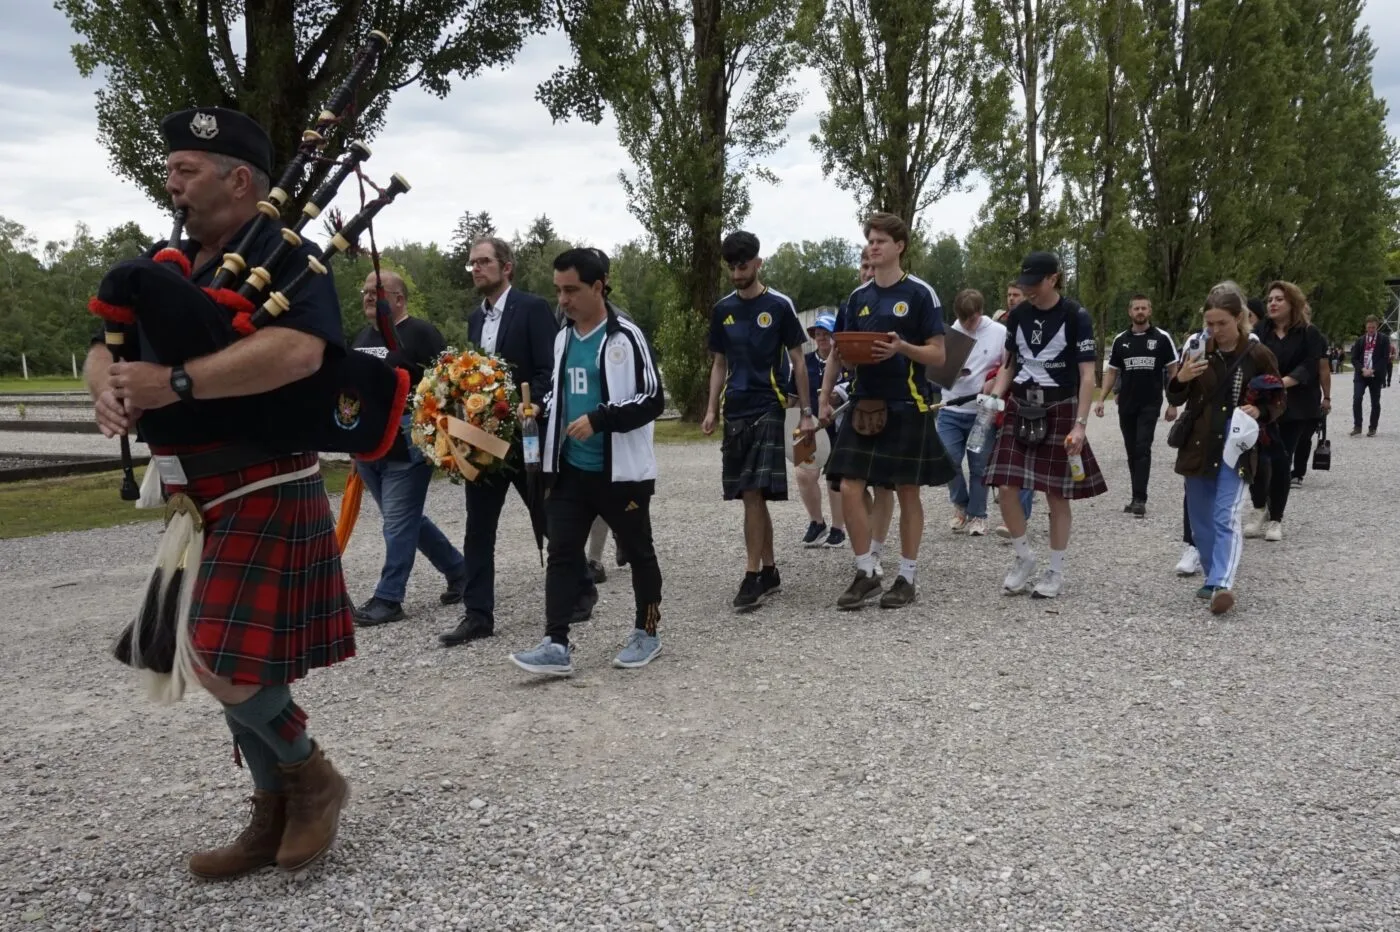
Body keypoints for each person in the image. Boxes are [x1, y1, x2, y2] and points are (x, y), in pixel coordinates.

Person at [87, 107, 352, 878]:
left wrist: (175, 382)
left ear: (240, 180)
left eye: (186, 169)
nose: (170, 182)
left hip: (265, 477)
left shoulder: (289, 259)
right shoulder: (167, 263)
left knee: (215, 658)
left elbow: (300, 353)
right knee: (245, 662)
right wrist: (108, 389)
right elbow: (104, 345)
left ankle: (314, 778)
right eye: (169, 169)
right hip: (198, 496)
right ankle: (271, 811)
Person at [507, 248, 665, 675]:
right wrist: (541, 408)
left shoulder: (626, 337)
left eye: (572, 290)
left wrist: (600, 419)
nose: (563, 299)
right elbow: (561, 390)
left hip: (621, 473)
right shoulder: (562, 337)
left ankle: (647, 632)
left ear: (598, 287)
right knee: (562, 554)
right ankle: (555, 643)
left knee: (638, 552)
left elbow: (652, 399)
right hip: (572, 470)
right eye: (558, 290)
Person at [439, 236, 576, 647]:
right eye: (472, 263)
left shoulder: (531, 309)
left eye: (484, 261)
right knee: (478, 527)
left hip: (522, 436)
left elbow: (548, 369)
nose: (476, 268)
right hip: (481, 443)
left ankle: (582, 586)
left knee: (545, 515)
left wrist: (519, 406)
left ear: (507, 267)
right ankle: (478, 613)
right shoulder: (474, 319)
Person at [820, 211, 954, 609]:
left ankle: (907, 577)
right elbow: (837, 353)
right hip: (864, 403)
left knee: (908, 491)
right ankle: (867, 571)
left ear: (900, 247)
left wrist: (902, 348)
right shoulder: (857, 298)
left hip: (907, 403)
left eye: (880, 240)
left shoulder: (919, 294)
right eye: (869, 240)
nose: (873, 246)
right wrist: (825, 396)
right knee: (848, 486)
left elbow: (939, 353)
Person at [702, 231, 816, 612]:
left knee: (752, 492)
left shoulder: (780, 306)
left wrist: (805, 411)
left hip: (769, 405)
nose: (737, 273)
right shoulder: (722, 310)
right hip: (735, 408)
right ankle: (769, 570)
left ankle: (751, 576)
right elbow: (719, 363)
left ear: (758, 262)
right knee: (751, 495)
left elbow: (798, 360)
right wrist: (711, 408)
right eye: (731, 267)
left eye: (743, 265)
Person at [984, 250, 1107, 599]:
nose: (1029, 290)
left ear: (1053, 279)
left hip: (1060, 407)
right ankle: (1024, 558)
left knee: (1056, 494)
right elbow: (1009, 365)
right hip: (1021, 405)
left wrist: (1080, 425)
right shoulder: (1018, 315)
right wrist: (994, 397)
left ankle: (1055, 571)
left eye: (1034, 284)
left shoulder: (1075, 316)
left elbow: (1087, 376)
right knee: (1006, 487)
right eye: (1025, 284)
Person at [348, 269, 466, 626]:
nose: (369, 297)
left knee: (397, 523)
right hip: (368, 443)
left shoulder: (421, 333)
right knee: (405, 519)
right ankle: (460, 571)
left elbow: (450, 382)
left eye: (377, 291)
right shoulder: (360, 337)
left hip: (409, 441)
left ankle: (389, 597)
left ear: (398, 299)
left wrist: (446, 438)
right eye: (366, 291)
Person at [1167, 282, 1284, 614]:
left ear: (1240, 318)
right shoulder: (1196, 348)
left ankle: (1223, 583)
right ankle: (1211, 574)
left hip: (1237, 447)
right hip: (1198, 445)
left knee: (1226, 515)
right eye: (1210, 323)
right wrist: (1182, 376)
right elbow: (1175, 397)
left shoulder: (1258, 353)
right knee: (1200, 519)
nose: (1215, 330)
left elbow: (1278, 397)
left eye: (1222, 323)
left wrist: (1261, 411)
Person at [1244, 281, 1327, 542]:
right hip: (1262, 405)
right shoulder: (1259, 331)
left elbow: (1310, 366)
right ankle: (1259, 509)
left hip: (1295, 406)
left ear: (1292, 303)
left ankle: (1276, 518)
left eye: (1279, 299)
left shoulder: (1309, 334)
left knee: (1280, 459)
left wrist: (1281, 383)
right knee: (1258, 460)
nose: (1272, 303)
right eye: (1270, 299)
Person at [1094, 293, 1180, 516]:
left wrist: (1173, 402)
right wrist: (1101, 399)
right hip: (1127, 404)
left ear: (1150, 311)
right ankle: (1135, 496)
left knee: (1143, 448)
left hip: (1150, 403)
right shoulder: (1121, 340)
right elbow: (1112, 371)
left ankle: (1140, 498)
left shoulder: (1162, 339)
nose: (1140, 312)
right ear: (1130, 312)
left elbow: (1173, 371)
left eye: (1144, 308)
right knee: (1132, 449)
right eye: (1136, 308)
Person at [934, 289, 1007, 537]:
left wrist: (994, 381)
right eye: (963, 319)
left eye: (972, 319)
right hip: (951, 407)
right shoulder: (948, 334)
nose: (967, 324)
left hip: (982, 411)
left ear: (981, 312)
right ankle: (960, 505)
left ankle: (978, 515)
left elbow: (1008, 365)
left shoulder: (998, 332)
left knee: (979, 465)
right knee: (948, 460)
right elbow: (934, 369)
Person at [792, 311, 847, 549]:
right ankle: (817, 522)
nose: (822, 338)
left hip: (839, 425)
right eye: (818, 334)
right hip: (809, 424)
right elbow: (792, 398)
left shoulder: (847, 360)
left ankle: (838, 529)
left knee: (834, 478)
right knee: (804, 474)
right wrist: (790, 423)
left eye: (827, 334)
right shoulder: (804, 362)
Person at [1351, 315, 1389, 436]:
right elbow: (1354, 359)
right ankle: (1357, 426)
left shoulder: (1384, 339)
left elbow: (1384, 358)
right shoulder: (1360, 340)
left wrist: (1373, 370)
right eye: (1368, 327)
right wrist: (1362, 369)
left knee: (1375, 402)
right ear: (1366, 327)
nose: (1371, 330)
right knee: (1357, 399)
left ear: (1377, 326)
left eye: (1373, 327)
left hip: (1375, 375)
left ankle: (1372, 427)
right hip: (1361, 374)